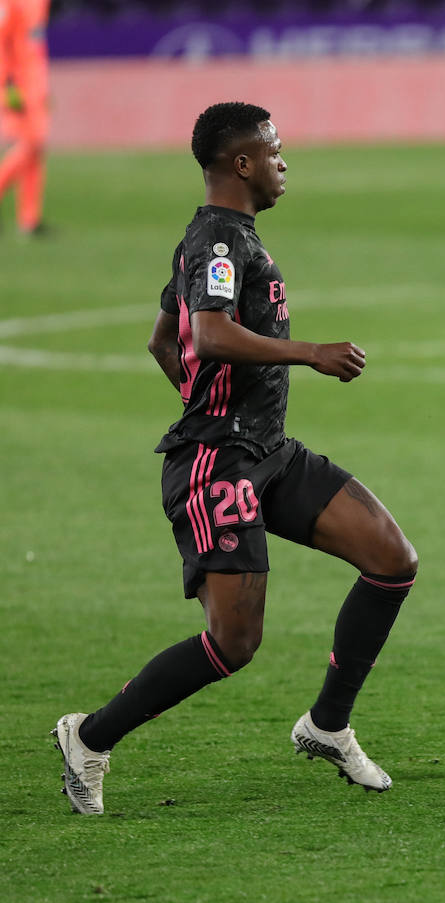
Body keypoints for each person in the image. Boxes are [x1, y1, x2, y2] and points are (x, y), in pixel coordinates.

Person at [51, 102, 419, 814]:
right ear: (242, 163)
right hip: (217, 464)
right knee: (235, 641)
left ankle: (327, 726)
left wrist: (219, 407)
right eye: (275, 151)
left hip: (266, 452)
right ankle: (89, 737)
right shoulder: (220, 239)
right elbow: (210, 335)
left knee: (391, 559)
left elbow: (165, 340)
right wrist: (305, 354)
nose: (285, 163)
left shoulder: (221, 237)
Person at [0, 0, 49, 236]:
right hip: (16, 85)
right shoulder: (9, 3)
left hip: (35, 85)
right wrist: (7, 85)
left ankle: (29, 219)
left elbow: (33, 45)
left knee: (36, 149)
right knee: (29, 146)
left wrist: (42, 86)